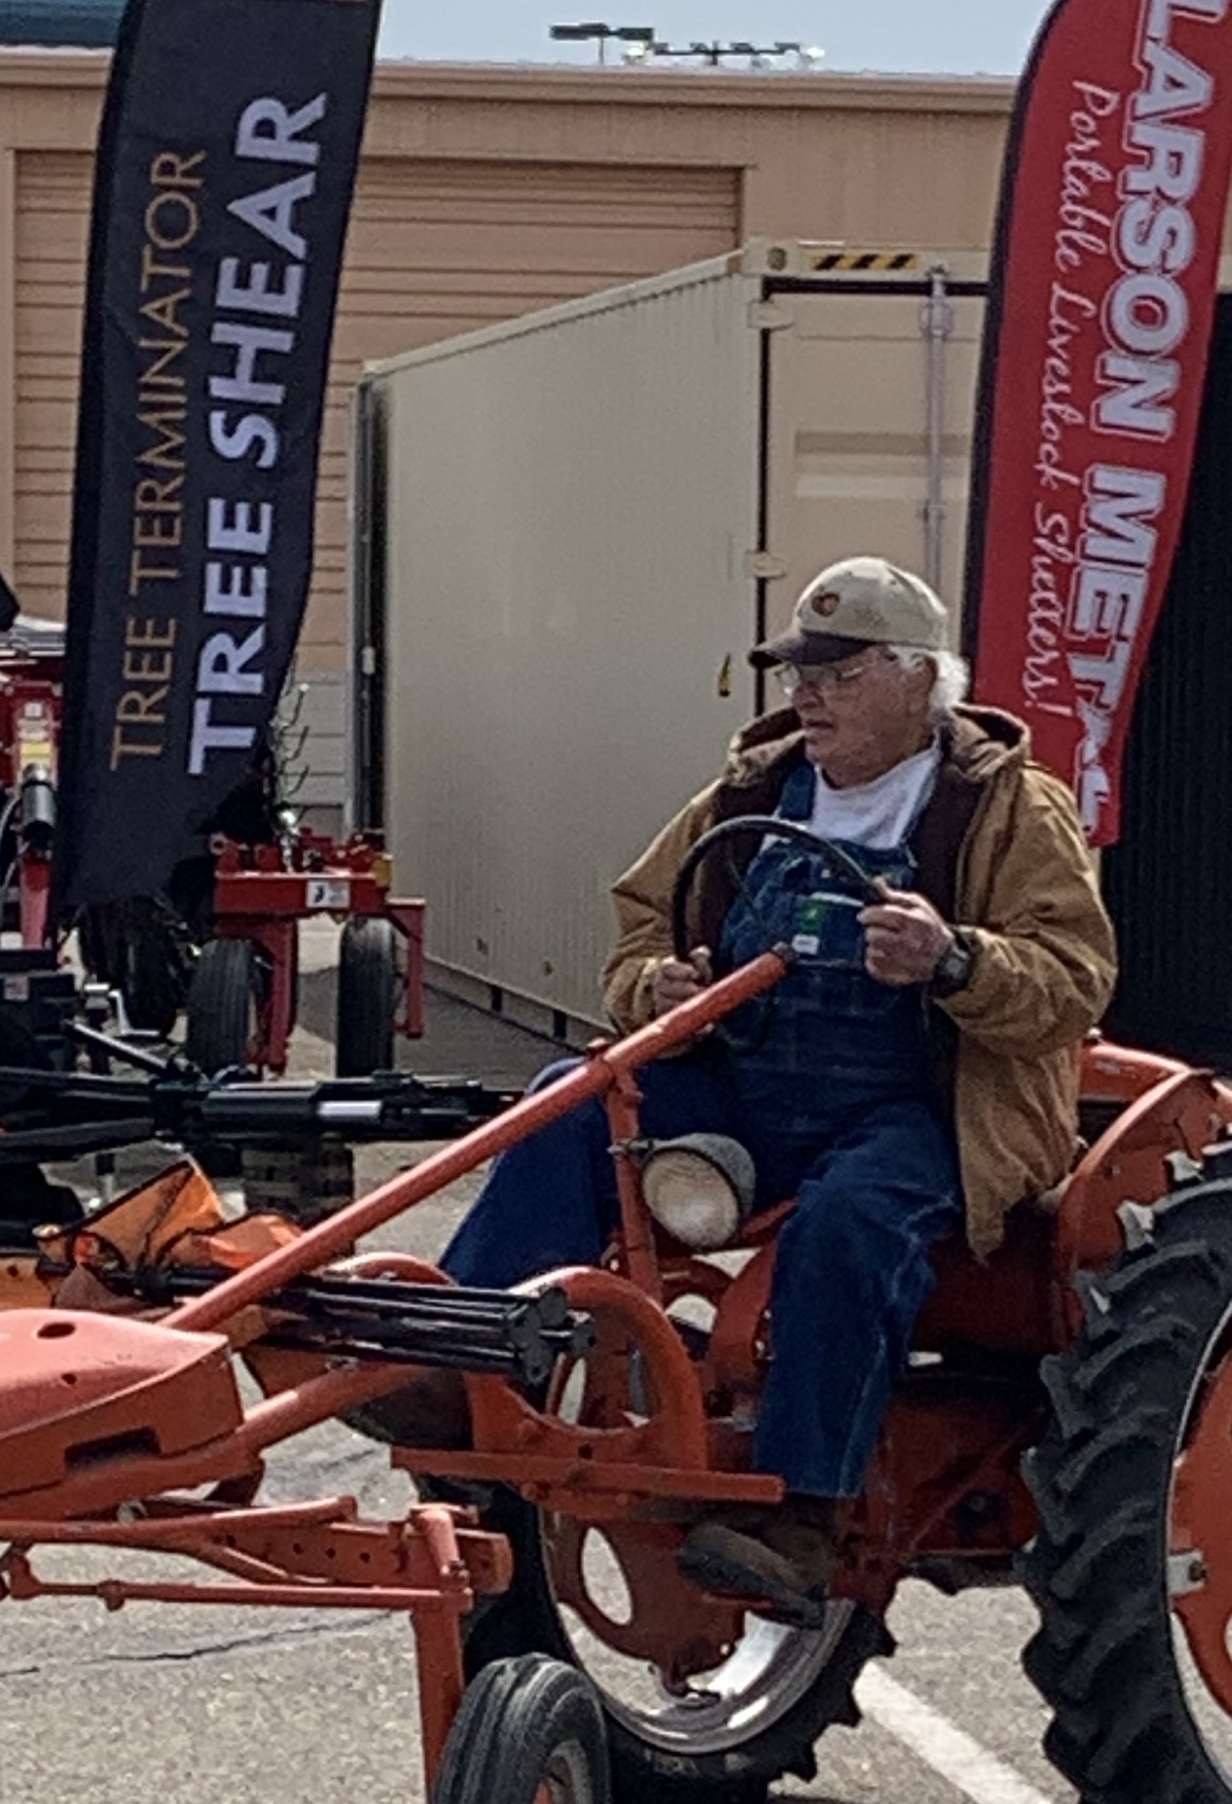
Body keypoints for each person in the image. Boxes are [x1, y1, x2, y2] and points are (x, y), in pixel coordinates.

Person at [433, 555, 1119, 1619]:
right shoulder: (747, 796)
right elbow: (639, 926)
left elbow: (1075, 979)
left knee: (856, 1217)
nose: (809, 694)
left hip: (924, 1103)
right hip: (749, 1090)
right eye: (801, 671)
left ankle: (804, 1509)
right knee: (576, 1100)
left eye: (840, 675)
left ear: (917, 680)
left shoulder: (1005, 809)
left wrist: (955, 962)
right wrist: (650, 984)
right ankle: (462, 1365)